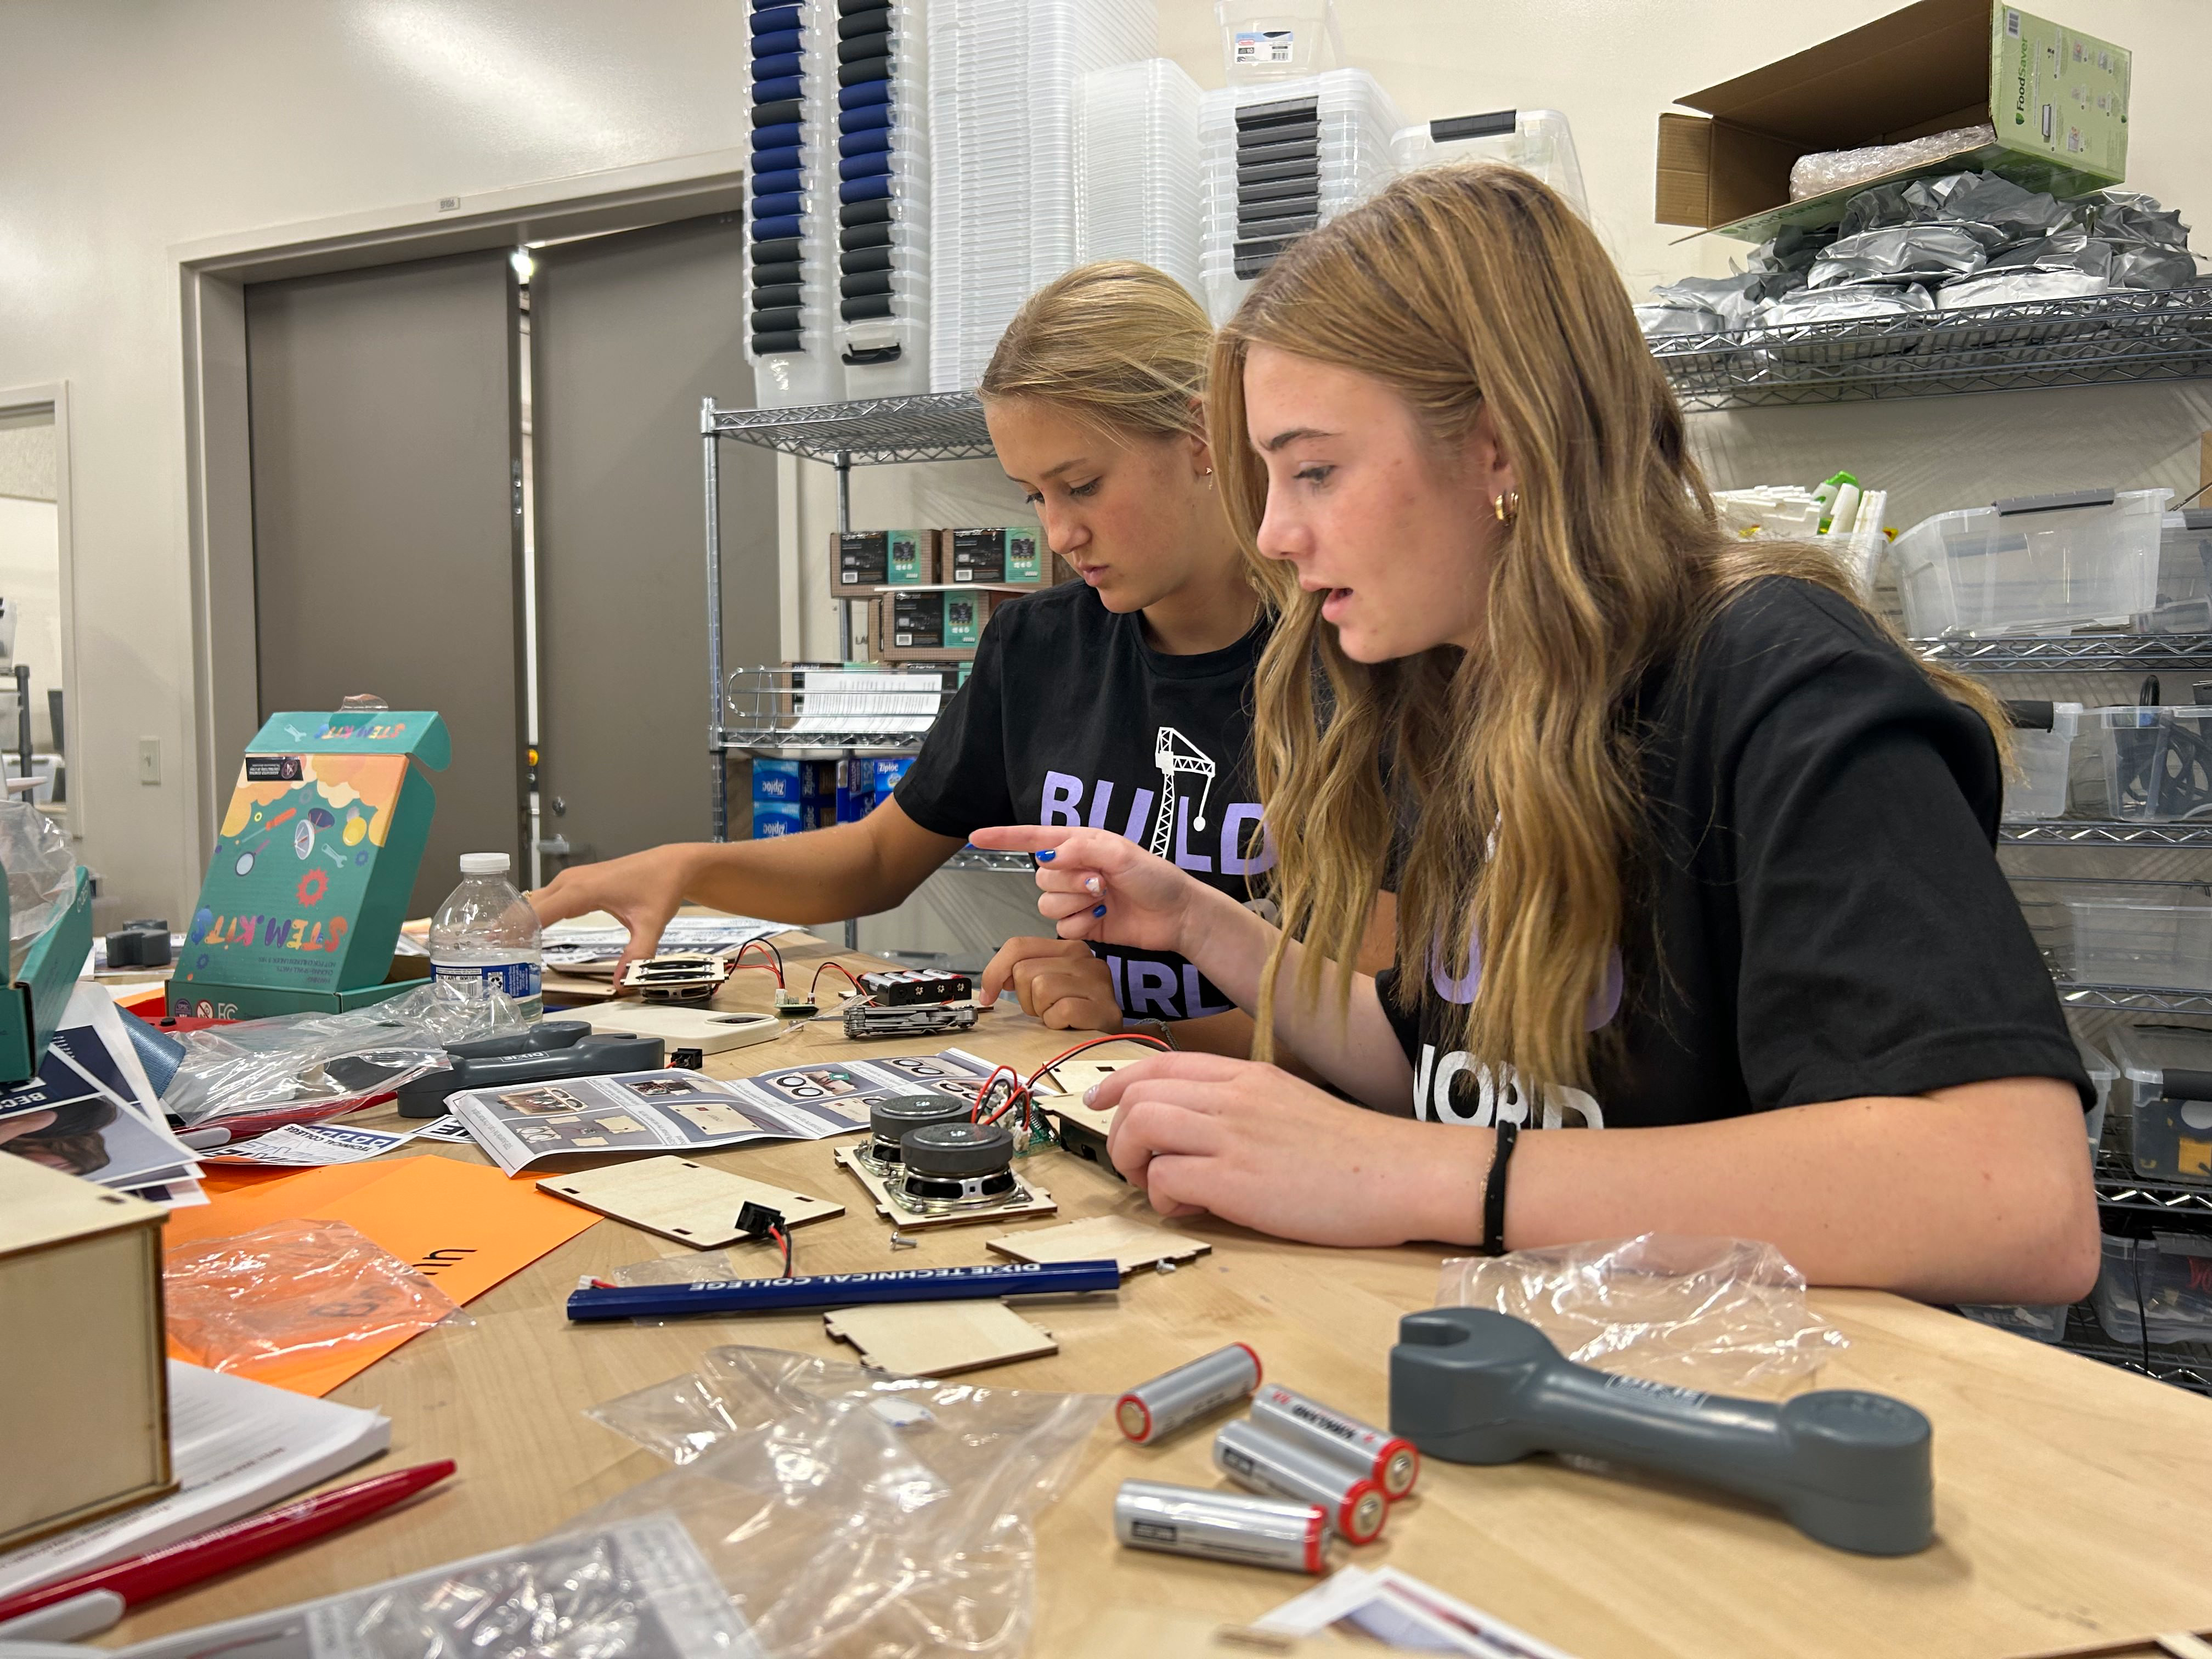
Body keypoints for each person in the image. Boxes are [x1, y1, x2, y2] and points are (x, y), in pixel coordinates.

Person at [970, 166, 2101, 1307]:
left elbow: (2014, 1198)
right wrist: (1198, 924)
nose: (1274, 532)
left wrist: (1414, 1174)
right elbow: (1442, 1062)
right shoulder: (1465, 686)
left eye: (1315, 469)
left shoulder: (1776, 675)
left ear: (1502, 448)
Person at [530, 261, 1390, 1056]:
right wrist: (690, 867)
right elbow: (877, 859)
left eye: (1082, 485)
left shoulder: (1358, 659)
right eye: (1035, 496)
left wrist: (1139, 1026)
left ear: (1200, 437)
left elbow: (1383, 1018)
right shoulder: (1038, 649)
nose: (1060, 534)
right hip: (1100, 1103)